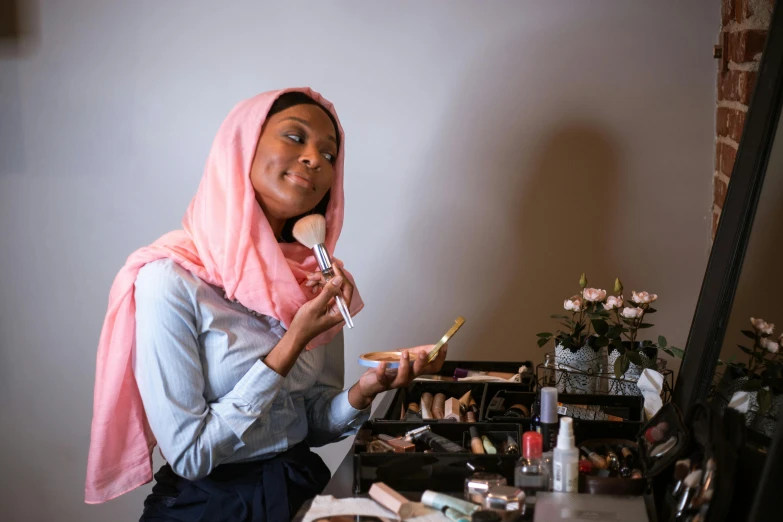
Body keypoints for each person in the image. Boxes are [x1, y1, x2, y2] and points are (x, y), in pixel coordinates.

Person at [84, 88, 447, 521]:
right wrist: (291, 341)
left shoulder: (311, 279)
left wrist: (362, 392)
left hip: (299, 492)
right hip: (206, 507)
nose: (315, 158)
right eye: (295, 138)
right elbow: (191, 455)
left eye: (330, 155)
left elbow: (308, 423)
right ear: (241, 149)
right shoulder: (170, 280)